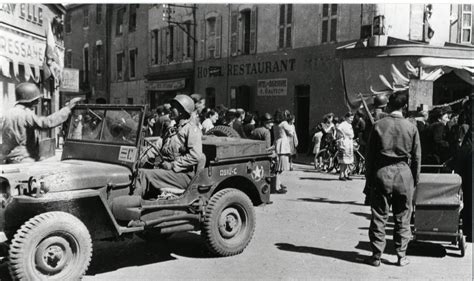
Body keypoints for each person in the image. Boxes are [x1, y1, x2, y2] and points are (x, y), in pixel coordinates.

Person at [365, 90, 421, 267]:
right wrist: (415, 179)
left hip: (382, 172)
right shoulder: (411, 127)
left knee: (379, 215)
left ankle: (376, 256)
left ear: (389, 105)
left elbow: (370, 156)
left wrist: (369, 179)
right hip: (404, 174)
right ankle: (401, 255)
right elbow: (417, 157)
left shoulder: (379, 125)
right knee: (403, 216)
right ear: (404, 107)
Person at [134, 95, 204, 199]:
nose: (170, 109)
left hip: (183, 175)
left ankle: (133, 205)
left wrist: (172, 165)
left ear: (182, 111)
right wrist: (140, 159)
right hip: (167, 171)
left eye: (173, 107)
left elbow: (196, 156)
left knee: (143, 174)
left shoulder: (191, 130)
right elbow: (156, 147)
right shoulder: (171, 129)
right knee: (136, 171)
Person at [1, 83, 81, 164]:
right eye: (35, 100)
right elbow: (46, 123)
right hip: (23, 158)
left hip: (8, 157)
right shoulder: (26, 114)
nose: (37, 103)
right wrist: (67, 109)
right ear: (29, 100)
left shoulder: (8, 113)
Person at [273, 109, 293, 194]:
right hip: (283, 145)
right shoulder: (284, 124)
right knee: (280, 169)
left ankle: (278, 183)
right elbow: (291, 132)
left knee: (278, 167)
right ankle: (277, 186)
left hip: (277, 143)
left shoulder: (275, 124)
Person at [335, 112, 355, 181]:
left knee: (348, 161)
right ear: (346, 118)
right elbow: (338, 128)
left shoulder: (349, 125)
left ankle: (346, 174)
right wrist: (343, 134)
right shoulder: (343, 124)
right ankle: (341, 175)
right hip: (345, 142)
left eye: (352, 118)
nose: (352, 119)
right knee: (343, 160)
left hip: (349, 142)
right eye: (350, 118)